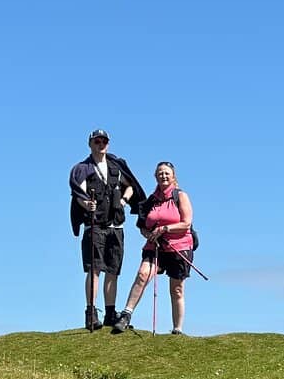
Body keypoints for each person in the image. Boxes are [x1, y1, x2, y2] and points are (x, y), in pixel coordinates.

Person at [69, 129, 146, 331]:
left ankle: (110, 313)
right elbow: (78, 192)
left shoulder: (116, 165)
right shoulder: (83, 168)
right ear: (90, 144)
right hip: (94, 225)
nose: (100, 144)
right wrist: (87, 205)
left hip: (116, 225)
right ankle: (91, 312)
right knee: (94, 269)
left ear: (108, 144)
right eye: (97, 141)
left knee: (113, 270)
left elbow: (131, 186)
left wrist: (123, 199)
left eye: (104, 141)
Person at [111, 161, 194, 335]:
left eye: (167, 173)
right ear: (155, 176)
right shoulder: (151, 200)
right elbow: (142, 224)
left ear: (173, 176)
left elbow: (186, 223)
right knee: (143, 275)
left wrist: (165, 229)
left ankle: (177, 328)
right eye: (160, 173)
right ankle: (126, 315)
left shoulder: (180, 196)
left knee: (176, 288)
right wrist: (148, 234)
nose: (163, 176)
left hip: (178, 246)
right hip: (154, 246)